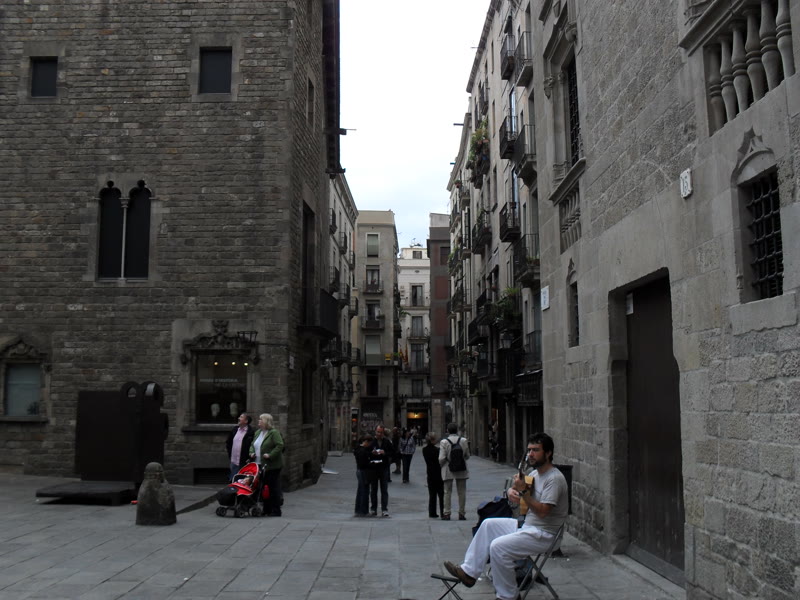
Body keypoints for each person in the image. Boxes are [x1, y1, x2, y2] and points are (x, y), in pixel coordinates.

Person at [443, 433, 569, 600]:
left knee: (498, 547)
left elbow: (543, 512)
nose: (530, 454)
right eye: (529, 450)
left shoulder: (554, 479)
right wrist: (512, 491)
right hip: (529, 526)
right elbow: (519, 494)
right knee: (488, 524)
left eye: (536, 450)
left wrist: (523, 492)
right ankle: (469, 572)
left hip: (545, 534)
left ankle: (508, 596)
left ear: (548, 453)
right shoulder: (535, 474)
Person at [249, 413, 284, 517]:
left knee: (272, 488)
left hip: (271, 466)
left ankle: (276, 510)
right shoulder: (258, 432)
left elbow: (280, 445)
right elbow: (252, 445)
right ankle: (266, 509)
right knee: (263, 488)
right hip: (258, 464)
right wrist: (251, 452)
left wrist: (270, 455)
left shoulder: (274, 433)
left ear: (266, 421)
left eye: (261, 420)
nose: (258, 421)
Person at [439, 422, 470, 520]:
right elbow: (467, 456)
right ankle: (461, 513)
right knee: (462, 491)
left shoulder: (444, 442)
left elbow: (441, 458)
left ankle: (447, 513)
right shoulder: (463, 440)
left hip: (448, 468)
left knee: (447, 491)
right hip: (461, 468)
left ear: (447, 431)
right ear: (457, 430)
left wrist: (442, 464)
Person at [368, 425, 394, 517]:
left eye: (381, 432)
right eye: (378, 432)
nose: (379, 434)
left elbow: (393, 452)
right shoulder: (371, 442)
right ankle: (373, 509)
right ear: (375, 432)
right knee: (373, 489)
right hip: (374, 467)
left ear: (383, 433)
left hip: (383, 467)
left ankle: (384, 509)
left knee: (384, 489)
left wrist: (384, 453)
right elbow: (366, 452)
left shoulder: (386, 442)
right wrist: (372, 453)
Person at [226, 412, 254, 481]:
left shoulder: (250, 432)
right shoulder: (235, 429)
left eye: (241, 417)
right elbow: (229, 443)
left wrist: (249, 458)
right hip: (233, 461)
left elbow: (252, 446)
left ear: (246, 421)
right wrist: (230, 454)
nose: (239, 418)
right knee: (233, 480)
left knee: (241, 481)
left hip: (243, 461)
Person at [422, 431, 444, 518]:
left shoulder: (424, 450)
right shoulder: (437, 450)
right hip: (438, 474)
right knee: (441, 494)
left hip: (430, 473)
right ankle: (443, 512)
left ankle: (432, 512)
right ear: (432, 440)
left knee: (432, 494)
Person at [353, 433, 375, 517]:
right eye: (369, 443)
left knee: (360, 491)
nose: (369, 445)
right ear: (366, 441)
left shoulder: (358, 449)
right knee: (364, 491)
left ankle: (358, 510)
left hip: (359, 470)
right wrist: (371, 463)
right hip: (363, 471)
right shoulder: (362, 451)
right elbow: (364, 463)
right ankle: (363, 511)